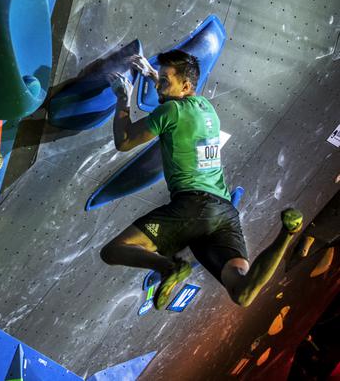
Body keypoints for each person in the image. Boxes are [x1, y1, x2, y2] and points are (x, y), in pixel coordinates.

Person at [100, 50, 303, 309]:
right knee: (241, 292)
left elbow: (125, 141)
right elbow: (175, 97)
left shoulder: (170, 112)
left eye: (165, 81)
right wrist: (151, 75)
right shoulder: (207, 109)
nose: (160, 86)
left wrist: (122, 97)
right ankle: (289, 232)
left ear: (185, 86)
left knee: (114, 250)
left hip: (192, 209)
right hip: (223, 215)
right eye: (159, 79)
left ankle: (168, 267)